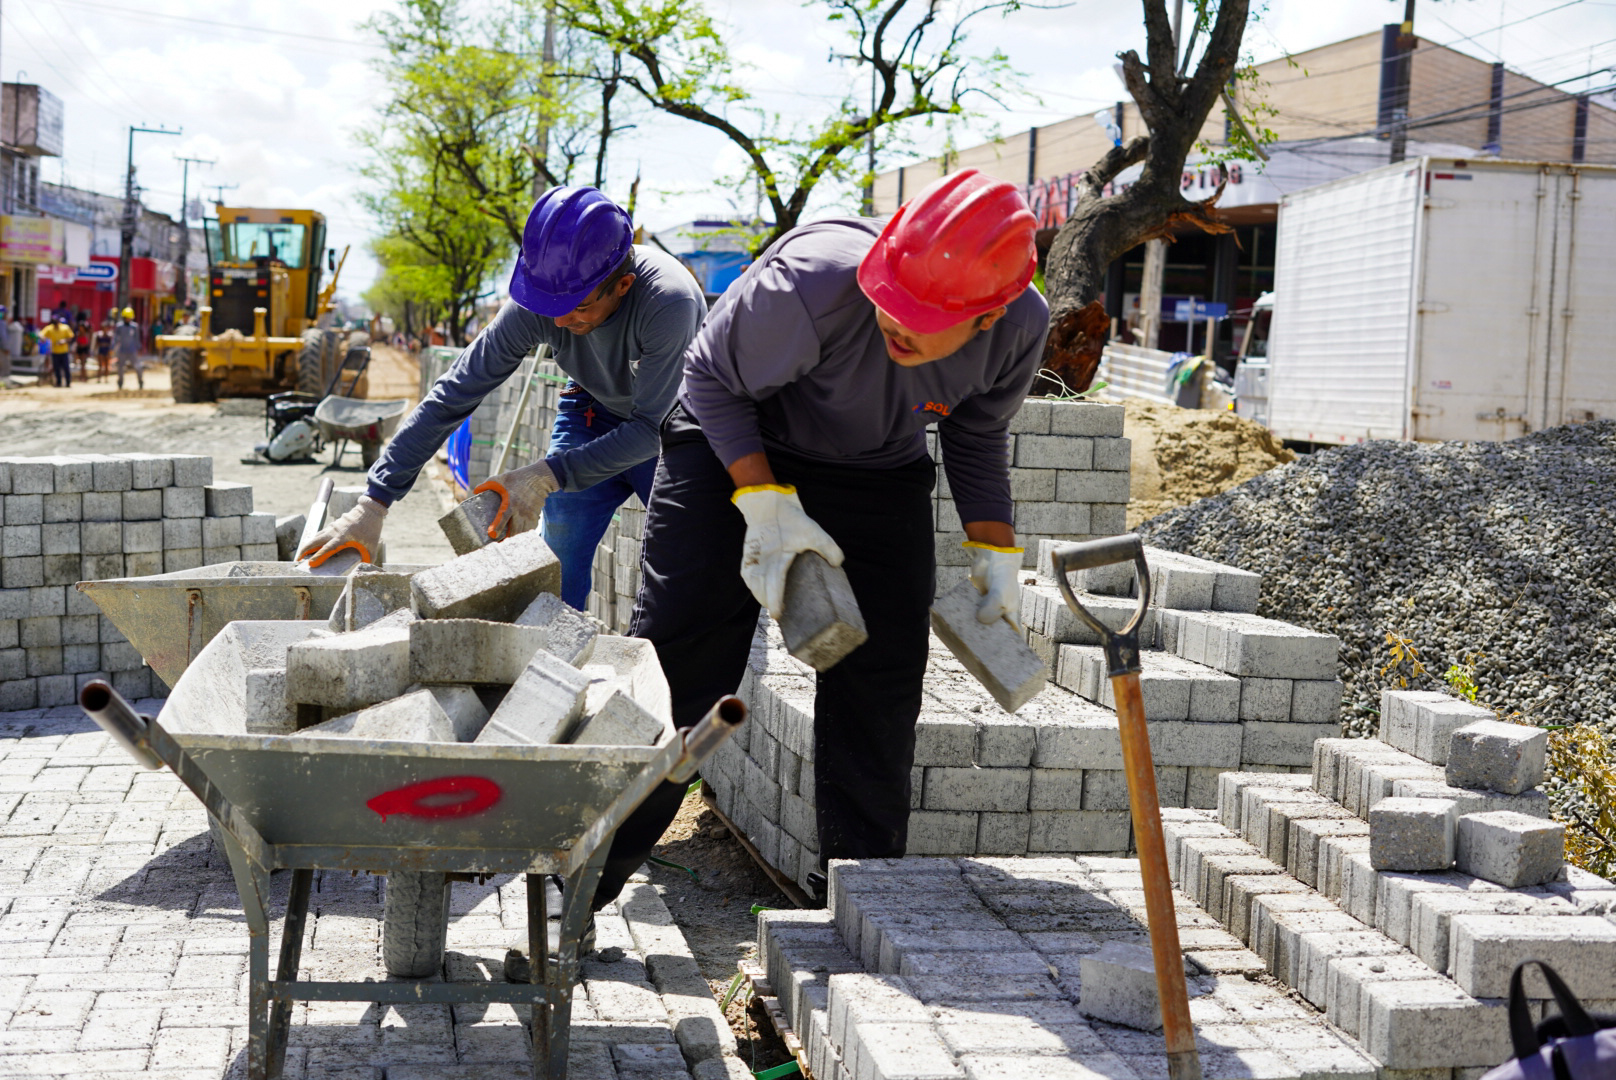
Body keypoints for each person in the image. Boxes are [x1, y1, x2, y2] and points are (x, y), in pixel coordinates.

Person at [597, 169, 1048, 912]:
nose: (895, 320)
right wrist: (765, 505)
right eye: (890, 298)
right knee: (682, 659)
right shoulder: (814, 282)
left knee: (883, 674)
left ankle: (858, 897)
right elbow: (709, 379)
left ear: (987, 317)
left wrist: (994, 551)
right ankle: (590, 874)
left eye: (923, 315)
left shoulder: (1022, 327)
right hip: (732, 440)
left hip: (876, 469)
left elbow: (974, 432)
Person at [298, 186, 708, 613]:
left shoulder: (668, 303)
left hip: (671, 425)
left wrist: (546, 475)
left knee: (681, 554)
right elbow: (453, 394)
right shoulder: (544, 300)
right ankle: (552, 653)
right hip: (592, 409)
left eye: (579, 308)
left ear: (623, 285)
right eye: (552, 307)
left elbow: (650, 428)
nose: (561, 322)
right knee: (561, 545)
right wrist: (374, 502)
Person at [41, 314, 75, 387]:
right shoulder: (49, 328)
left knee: (66, 368)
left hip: (64, 351)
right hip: (55, 351)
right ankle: (58, 383)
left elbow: (70, 337)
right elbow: (41, 334)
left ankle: (68, 382)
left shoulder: (65, 328)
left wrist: (64, 341)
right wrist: (42, 338)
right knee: (56, 368)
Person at [113, 308, 144, 390]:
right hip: (122, 350)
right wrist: (112, 347)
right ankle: (120, 382)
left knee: (137, 366)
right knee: (120, 367)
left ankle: (140, 381)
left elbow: (137, 339)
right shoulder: (119, 326)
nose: (128, 319)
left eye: (129, 317)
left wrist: (139, 348)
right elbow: (116, 337)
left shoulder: (134, 327)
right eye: (127, 317)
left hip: (132, 350)